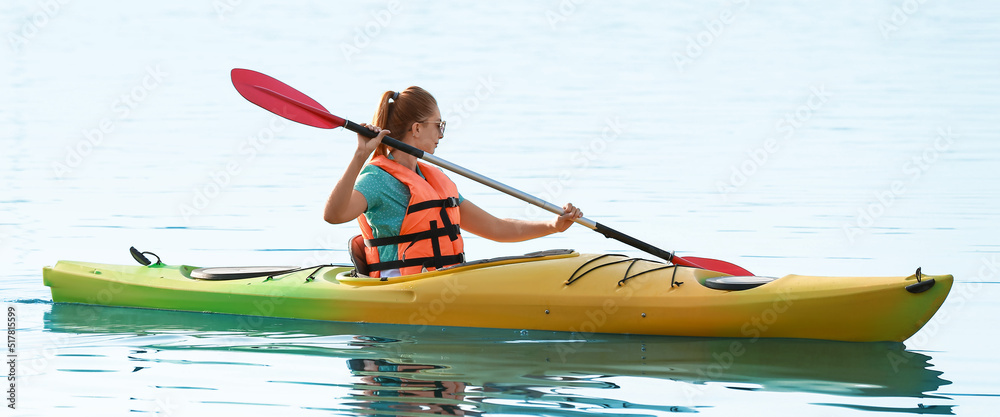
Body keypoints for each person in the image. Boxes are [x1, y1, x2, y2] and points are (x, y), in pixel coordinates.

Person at [323, 86, 582, 278]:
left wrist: (554, 225)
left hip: (441, 285)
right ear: (416, 129)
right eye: (438, 125)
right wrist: (361, 155)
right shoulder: (378, 180)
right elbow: (334, 215)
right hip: (398, 292)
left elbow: (496, 228)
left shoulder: (434, 181)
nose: (441, 135)